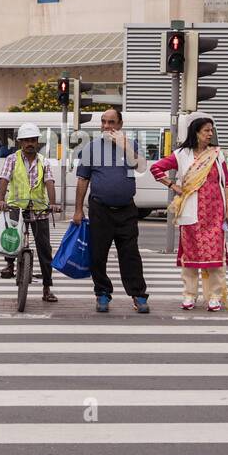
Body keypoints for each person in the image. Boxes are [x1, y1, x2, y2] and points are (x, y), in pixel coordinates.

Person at [150, 113, 228, 312]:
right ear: (196, 133)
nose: (210, 134)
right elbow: (156, 169)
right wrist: (172, 185)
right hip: (191, 213)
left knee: (215, 256)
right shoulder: (182, 155)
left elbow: (226, 182)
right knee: (191, 256)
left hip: (214, 213)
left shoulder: (217, 154)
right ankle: (189, 294)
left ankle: (214, 296)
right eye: (206, 130)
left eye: (211, 130)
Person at [72, 107, 149, 314]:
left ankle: (138, 295)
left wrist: (123, 145)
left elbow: (141, 167)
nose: (107, 126)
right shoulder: (91, 148)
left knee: (130, 254)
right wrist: (78, 210)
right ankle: (102, 293)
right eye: (104, 122)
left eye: (111, 122)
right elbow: (83, 179)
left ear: (120, 125)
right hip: (100, 209)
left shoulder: (131, 145)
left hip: (126, 210)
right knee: (98, 254)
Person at [0, 123, 59, 303]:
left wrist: (53, 203)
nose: (30, 143)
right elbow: (4, 180)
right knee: (11, 237)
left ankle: (47, 288)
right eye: (26, 140)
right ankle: (9, 264)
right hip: (16, 207)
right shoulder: (11, 159)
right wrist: (0, 199)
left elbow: (50, 182)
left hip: (39, 209)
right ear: (20, 142)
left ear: (37, 142)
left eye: (33, 140)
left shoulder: (43, 162)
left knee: (45, 250)